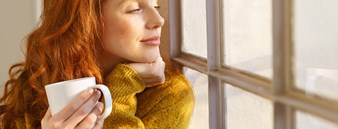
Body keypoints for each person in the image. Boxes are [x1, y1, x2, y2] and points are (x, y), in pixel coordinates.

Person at [0, 0, 194, 128]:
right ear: (87, 20)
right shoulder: (43, 79)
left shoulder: (170, 94)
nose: (159, 20)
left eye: (156, 6)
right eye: (135, 9)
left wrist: (124, 85)